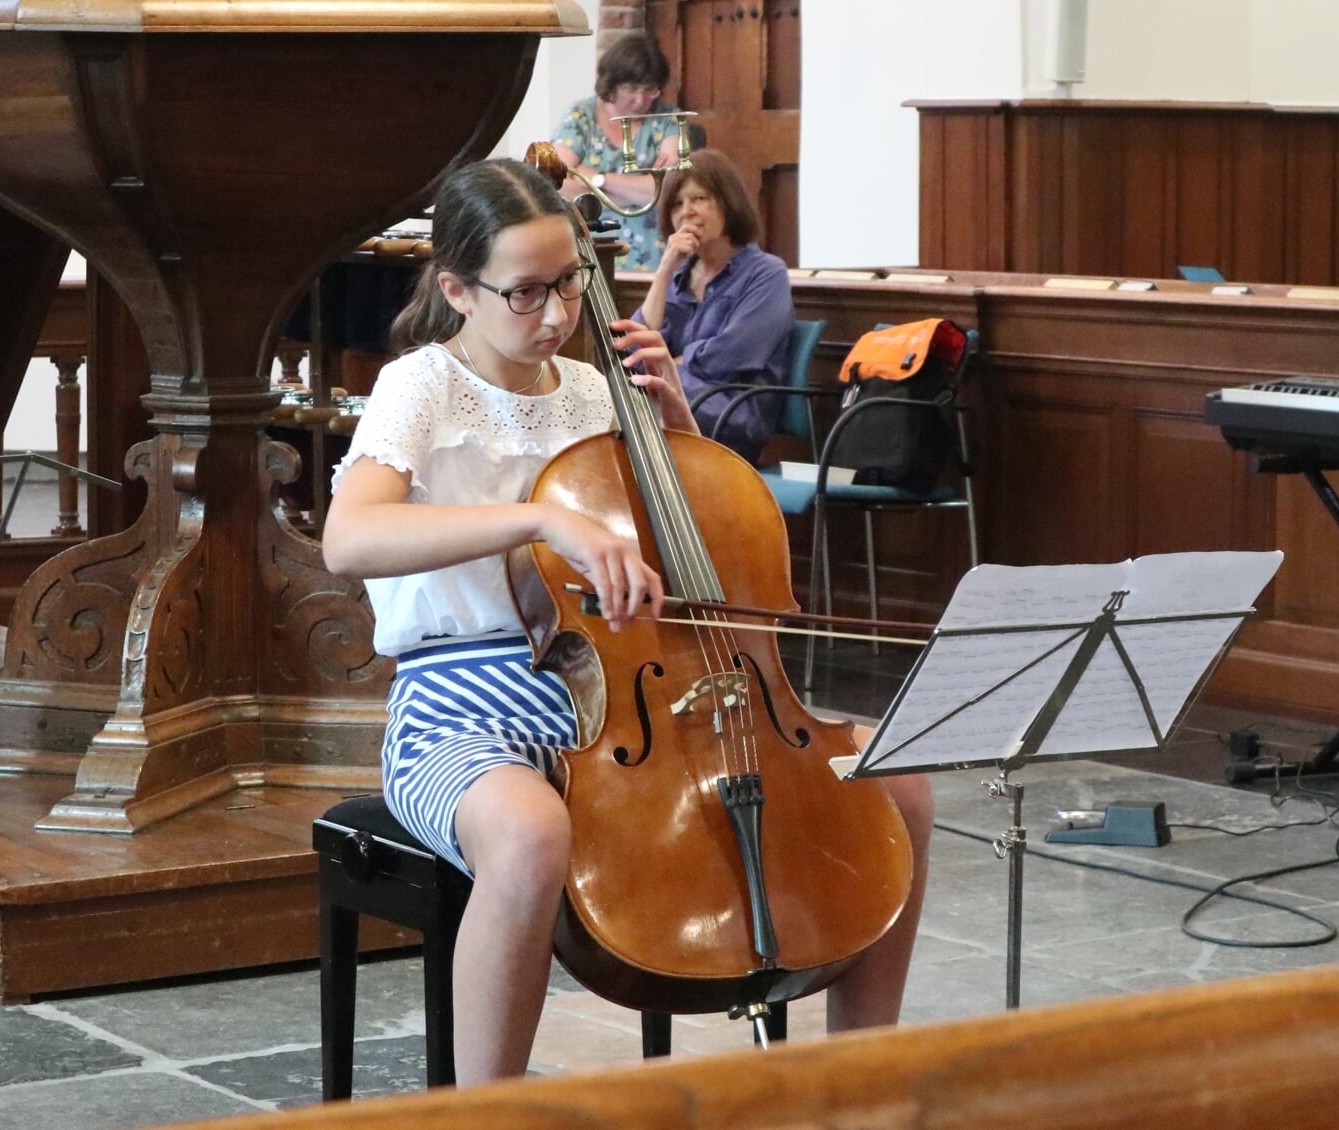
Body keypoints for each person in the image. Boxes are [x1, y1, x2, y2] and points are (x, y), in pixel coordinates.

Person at [320, 157, 934, 1085]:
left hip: (645, 691)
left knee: (902, 780)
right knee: (529, 836)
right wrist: (536, 514)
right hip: (463, 706)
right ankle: (486, 1110)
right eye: (526, 293)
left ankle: (862, 1082)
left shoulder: (596, 391)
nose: (558, 314)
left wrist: (676, 426)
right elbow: (350, 538)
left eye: (567, 281)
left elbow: (706, 551)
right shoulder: (423, 386)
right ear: (457, 289)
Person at [637, 149, 795, 465]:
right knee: (613, 403)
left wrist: (668, 362)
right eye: (677, 205)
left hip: (731, 411)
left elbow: (735, 354)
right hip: (674, 399)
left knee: (638, 414)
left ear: (728, 202)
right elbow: (636, 344)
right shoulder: (678, 276)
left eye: (700, 199)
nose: (687, 212)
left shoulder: (766, 273)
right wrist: (666, 267)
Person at [552, 32, 684, 272]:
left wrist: (597, 179)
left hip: (656, 261)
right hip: (589, 255)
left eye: (651, 89)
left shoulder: (666, 119)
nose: (641, 100)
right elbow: (557, 182)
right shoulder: (581, 117)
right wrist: (636, 192)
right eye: (632, 88)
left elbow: (667, 190)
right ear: (611, 83)